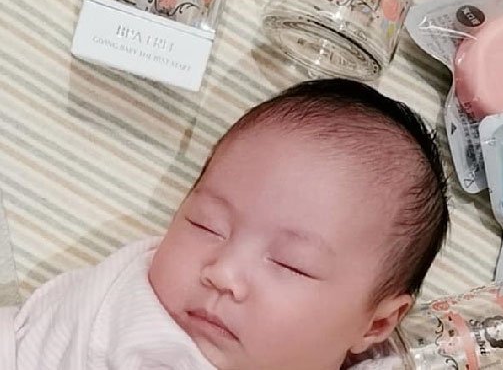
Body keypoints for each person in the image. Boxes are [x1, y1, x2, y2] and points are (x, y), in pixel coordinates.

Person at [0, 79, 449, 370]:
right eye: (206, 225)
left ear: (375, 324)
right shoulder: (135, 324)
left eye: (291, 263)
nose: (223, 273)